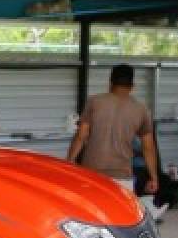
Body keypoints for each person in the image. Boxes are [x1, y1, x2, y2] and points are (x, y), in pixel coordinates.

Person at [66, 64, 167, 221]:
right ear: (132, 86)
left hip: (91, 173)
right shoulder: (141, 110)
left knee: (90, 220)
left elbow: (81, 135)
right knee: (121, 221)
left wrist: (70, 161)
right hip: (122, 176)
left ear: (110, 82)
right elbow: (149, 148)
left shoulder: (94, 102)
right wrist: (154, 178)